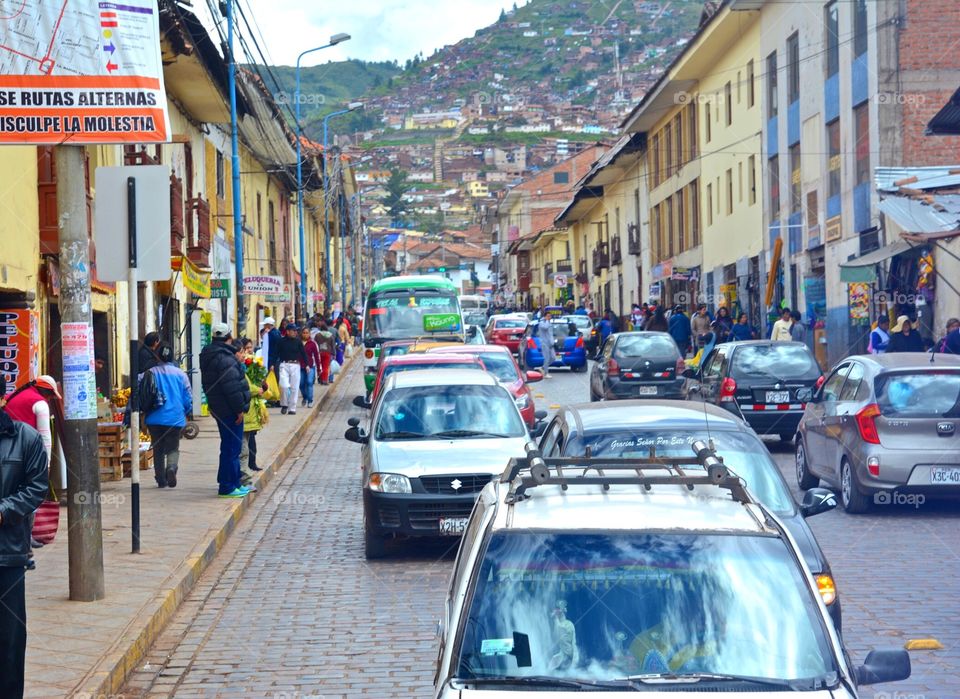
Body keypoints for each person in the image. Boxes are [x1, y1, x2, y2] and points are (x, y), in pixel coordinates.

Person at [0, 374, 48, 699]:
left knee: (9, 640)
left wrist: (3, 510)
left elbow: (36, 487)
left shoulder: (25, 438)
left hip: (8, 554)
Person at [4, 376, 63, 549]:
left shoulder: (10, 397)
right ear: (47, 392)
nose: (51, 399)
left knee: (10, 494)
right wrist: (46, 463)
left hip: (6, 454)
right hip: (26, 455)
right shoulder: (40, 404)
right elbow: (45, 436)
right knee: (29, 496)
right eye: (51, 395)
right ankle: (26, 540)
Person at [199, 323, 251, 498]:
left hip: (219, 408)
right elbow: (232, 388)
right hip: (230, 410)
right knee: (232, 448)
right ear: (229, 338)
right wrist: (239, 410)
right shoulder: (225, 358)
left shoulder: (210, 355)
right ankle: (228, 486)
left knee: (229, 447)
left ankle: (232, 482)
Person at [142, 344, 192, 489]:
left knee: (157, 448)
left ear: (157, 356)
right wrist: (186, 411)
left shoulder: (149, 372)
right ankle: (171, 467)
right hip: (175, 418)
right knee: (173, 447)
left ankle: (160, 480)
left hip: (154, 418)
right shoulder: (181, 374)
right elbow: (187, 397)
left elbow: (141, 391)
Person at [238, 339, 267, 486]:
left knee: (248, 443)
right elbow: (246, 387)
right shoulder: (239, 369)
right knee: (242, 448)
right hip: (243, 411)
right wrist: (257, 390)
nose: (247, 352)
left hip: (248, 411)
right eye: (244, 350)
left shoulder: (249, 365)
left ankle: (249, 467)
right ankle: (243, 478)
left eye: (249, 349)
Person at [276, 323, 307, 415]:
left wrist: (307, 365)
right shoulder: (281, 341)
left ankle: (292, 408)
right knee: (284, 386)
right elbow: (276, 353)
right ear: (288, 332)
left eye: (296, 331)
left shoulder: (298, 342)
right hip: (284, 364)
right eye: (293, 331)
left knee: (294, 387)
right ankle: (284, 404)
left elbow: (303, 353)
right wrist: (273, 364)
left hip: (295, 365)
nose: (295, 332)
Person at [300, 327, 320, 409]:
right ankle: (305, 397)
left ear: (309, 334)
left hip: (311, 366)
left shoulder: (313, 343)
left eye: (307, 333)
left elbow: (316, 356)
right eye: (304, 333)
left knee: (309, 382)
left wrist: (319, 368)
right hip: (300, 366)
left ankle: (310, 400)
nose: (305, 334)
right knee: (301, 384)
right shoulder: (298, 343)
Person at [315, 320, 336, 385]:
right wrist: (334, 353)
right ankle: (325, 380)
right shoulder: (330, 335)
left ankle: (321, 379)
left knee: (320, 366)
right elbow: (333, 345)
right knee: (326, 367)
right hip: (327, 352)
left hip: (319, 352)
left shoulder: (317, 335)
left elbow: (315, 344)